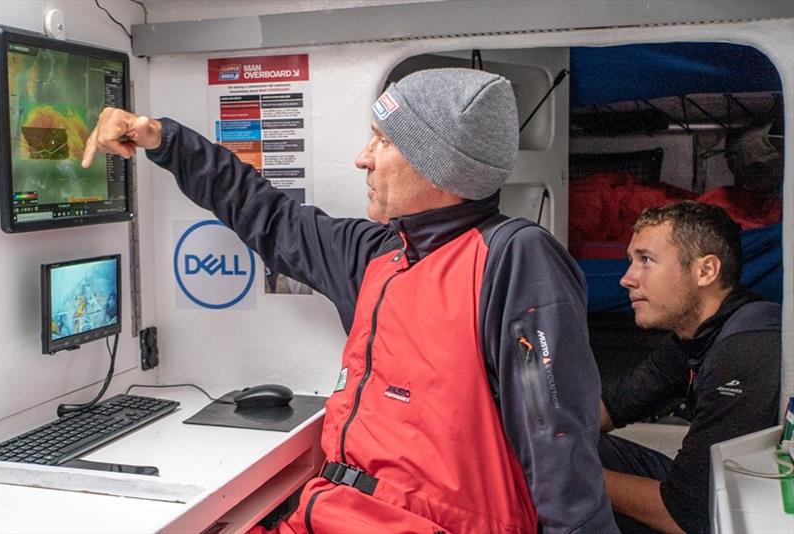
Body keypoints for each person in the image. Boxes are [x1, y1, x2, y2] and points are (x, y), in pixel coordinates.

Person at [83, 68, 616, 533]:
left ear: (438, 165)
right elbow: (266, 213)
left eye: (383, 141)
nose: (363, 159)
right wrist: (162, 139)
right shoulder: (378, 254)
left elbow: (558, 442)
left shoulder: (514, 258)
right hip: (329, 511)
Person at [599, 201, 781, 533]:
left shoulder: (746, 350)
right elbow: (613, 406)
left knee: (568, 472)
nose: (627, 279)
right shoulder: (693, 336)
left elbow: (686, 517)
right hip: (708, 501)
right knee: (575, 448)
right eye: (631, 262)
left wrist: (561, 475)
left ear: (705, 271)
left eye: (647, 261)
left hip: (750, 516)